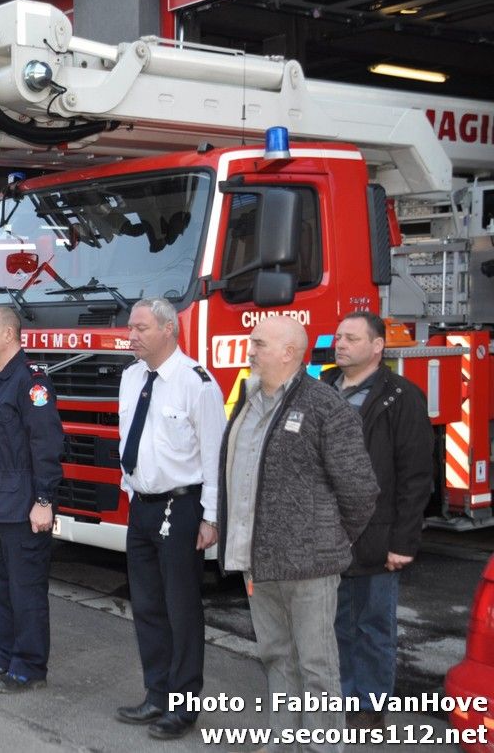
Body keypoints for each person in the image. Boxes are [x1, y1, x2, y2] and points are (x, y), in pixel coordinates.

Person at [218, 316, 378, 753]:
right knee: (275, 657)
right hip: (259, 561)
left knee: (316, 664)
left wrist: (330, 541)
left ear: (289, 352)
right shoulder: (248, 401)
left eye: (258, 343)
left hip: (310, 567)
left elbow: (361, 489)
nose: (250, 350)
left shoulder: (324, 405)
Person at [113, 298, 225, 740]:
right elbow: (131, 440)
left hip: (182, 508)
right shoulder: (130, 377)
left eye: (140, 327)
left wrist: (211, 517)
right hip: (141, 505)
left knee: (181, 609)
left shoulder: (196, 382)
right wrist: (129, 489)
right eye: (130, 327)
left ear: (168, 330)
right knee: (146, 607)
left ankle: (182, 706)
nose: (131, 334)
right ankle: (155, 694)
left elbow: (214, 454)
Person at [324, 311, 433, 729]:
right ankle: (341, 694)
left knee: (372, 624)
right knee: (335, 622)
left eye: (351, 338)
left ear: (377, 346)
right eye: (338, 337)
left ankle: (367, 706)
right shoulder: (323, 388)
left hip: (376, 533)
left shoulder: (401, 397)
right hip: (328, 534)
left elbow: (415, 474)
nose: (341, 344)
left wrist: (404, 542)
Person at [0, 307, 63, 693]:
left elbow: (46, 443)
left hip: (20, 504)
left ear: (9, 334)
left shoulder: (31, 381)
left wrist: (44, 499)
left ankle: (29, 665)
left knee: (25, 590)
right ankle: (5, 654)